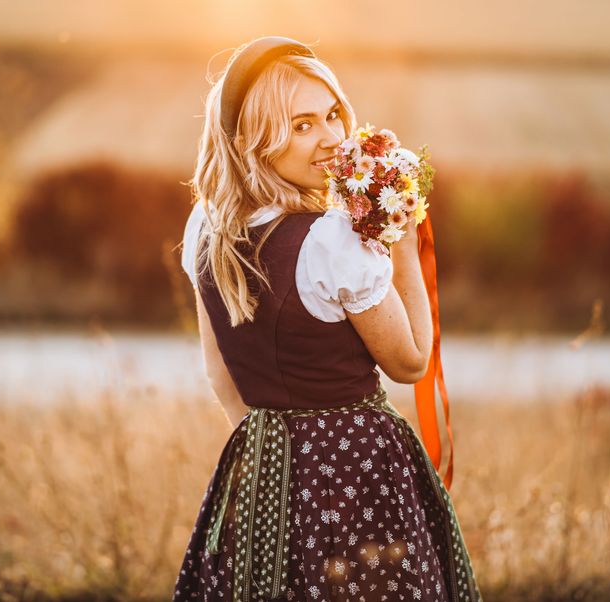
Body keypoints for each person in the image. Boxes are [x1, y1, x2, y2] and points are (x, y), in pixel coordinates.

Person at [173, 36, 483, 602]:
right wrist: (405, 242)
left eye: (332, 115)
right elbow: (411, 362)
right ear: (253, 141)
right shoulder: (333, 240)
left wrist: (277, 448)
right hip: (359, 465)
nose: (333, 139)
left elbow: (221, 377)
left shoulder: (206, 228)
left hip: (258, 459)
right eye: (301, 126)